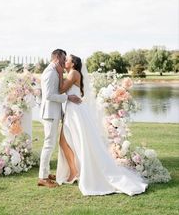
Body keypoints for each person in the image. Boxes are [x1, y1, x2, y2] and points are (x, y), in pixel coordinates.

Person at [55, 54, 148, 196]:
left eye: (66, 60)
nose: (64, 61)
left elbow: (61, 89)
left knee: (71, 141)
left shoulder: (73, 73)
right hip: (72, 111)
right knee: (67, 141)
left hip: (75, 113)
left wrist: (59, 72)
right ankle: (74, 170)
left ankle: (75, 171)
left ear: (73, 63)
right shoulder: (72, 73)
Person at [38, 49, 81, 188]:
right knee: (49, 145)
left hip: (54, 113)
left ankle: (46, 173)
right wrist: (68, 97)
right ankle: (43, 178)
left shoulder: (55, 71)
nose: (64, 62)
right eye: (63, 59)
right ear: (57, 58)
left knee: (50, 145)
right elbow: (49, 95)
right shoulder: (50, 73)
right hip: (50, 114)